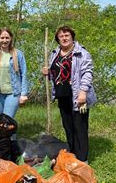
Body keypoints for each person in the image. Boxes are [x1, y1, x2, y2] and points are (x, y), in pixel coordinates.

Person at [42, 25, 97, 163]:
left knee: (80, 127)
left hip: (78, 96)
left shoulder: (81, 53)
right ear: (58, 39)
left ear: (72, 37)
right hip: (62, 96)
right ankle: (73, 155)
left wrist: (83, 91)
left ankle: (82, 160)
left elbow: (87, 73)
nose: (64, 38)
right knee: (68, 127)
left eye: (67, 35)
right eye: (61, 36)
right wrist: (47, 73)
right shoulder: (55, 53)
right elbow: (55, 73)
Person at [0, 28, 28, 119]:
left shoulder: (18, 54)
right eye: (2, 38)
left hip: (13, 93)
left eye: (7, 38)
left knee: (7, 120)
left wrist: (23, 94)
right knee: (3, 121)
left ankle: (12, 134)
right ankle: (12, 134)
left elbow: (24, 74)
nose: (4, 40)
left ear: (11, 38)